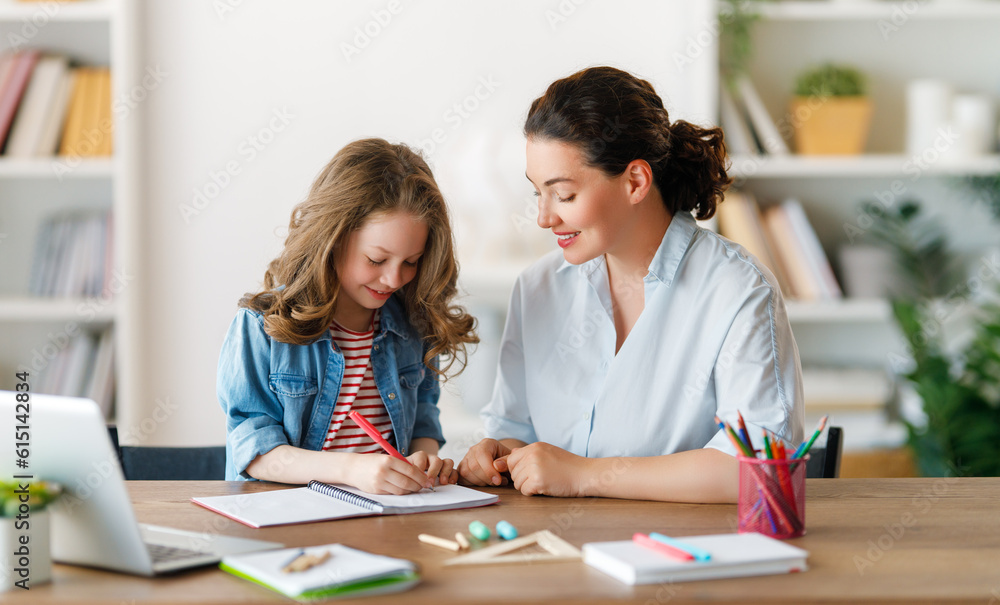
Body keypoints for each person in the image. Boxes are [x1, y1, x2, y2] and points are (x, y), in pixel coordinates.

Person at [457, 67, 804, 503]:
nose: (545, 217)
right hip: (552, 553)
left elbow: (761, 471)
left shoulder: (736, 290)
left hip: (684, 557)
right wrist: (496, 456)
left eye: (563, 195)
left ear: (635, 182)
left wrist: (585, 476)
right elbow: (513, 433)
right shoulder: (538, 288)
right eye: (537, 194)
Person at [218, 138, 478, 494]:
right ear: (333, 238)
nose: (393, 279)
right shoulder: (261, 327)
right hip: (287, 523)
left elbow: (423, 425)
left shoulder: (412, 326)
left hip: (385, 521)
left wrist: (424, 459)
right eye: (376, 259)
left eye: (411, 262)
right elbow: (254, 452)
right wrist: (351, 468)